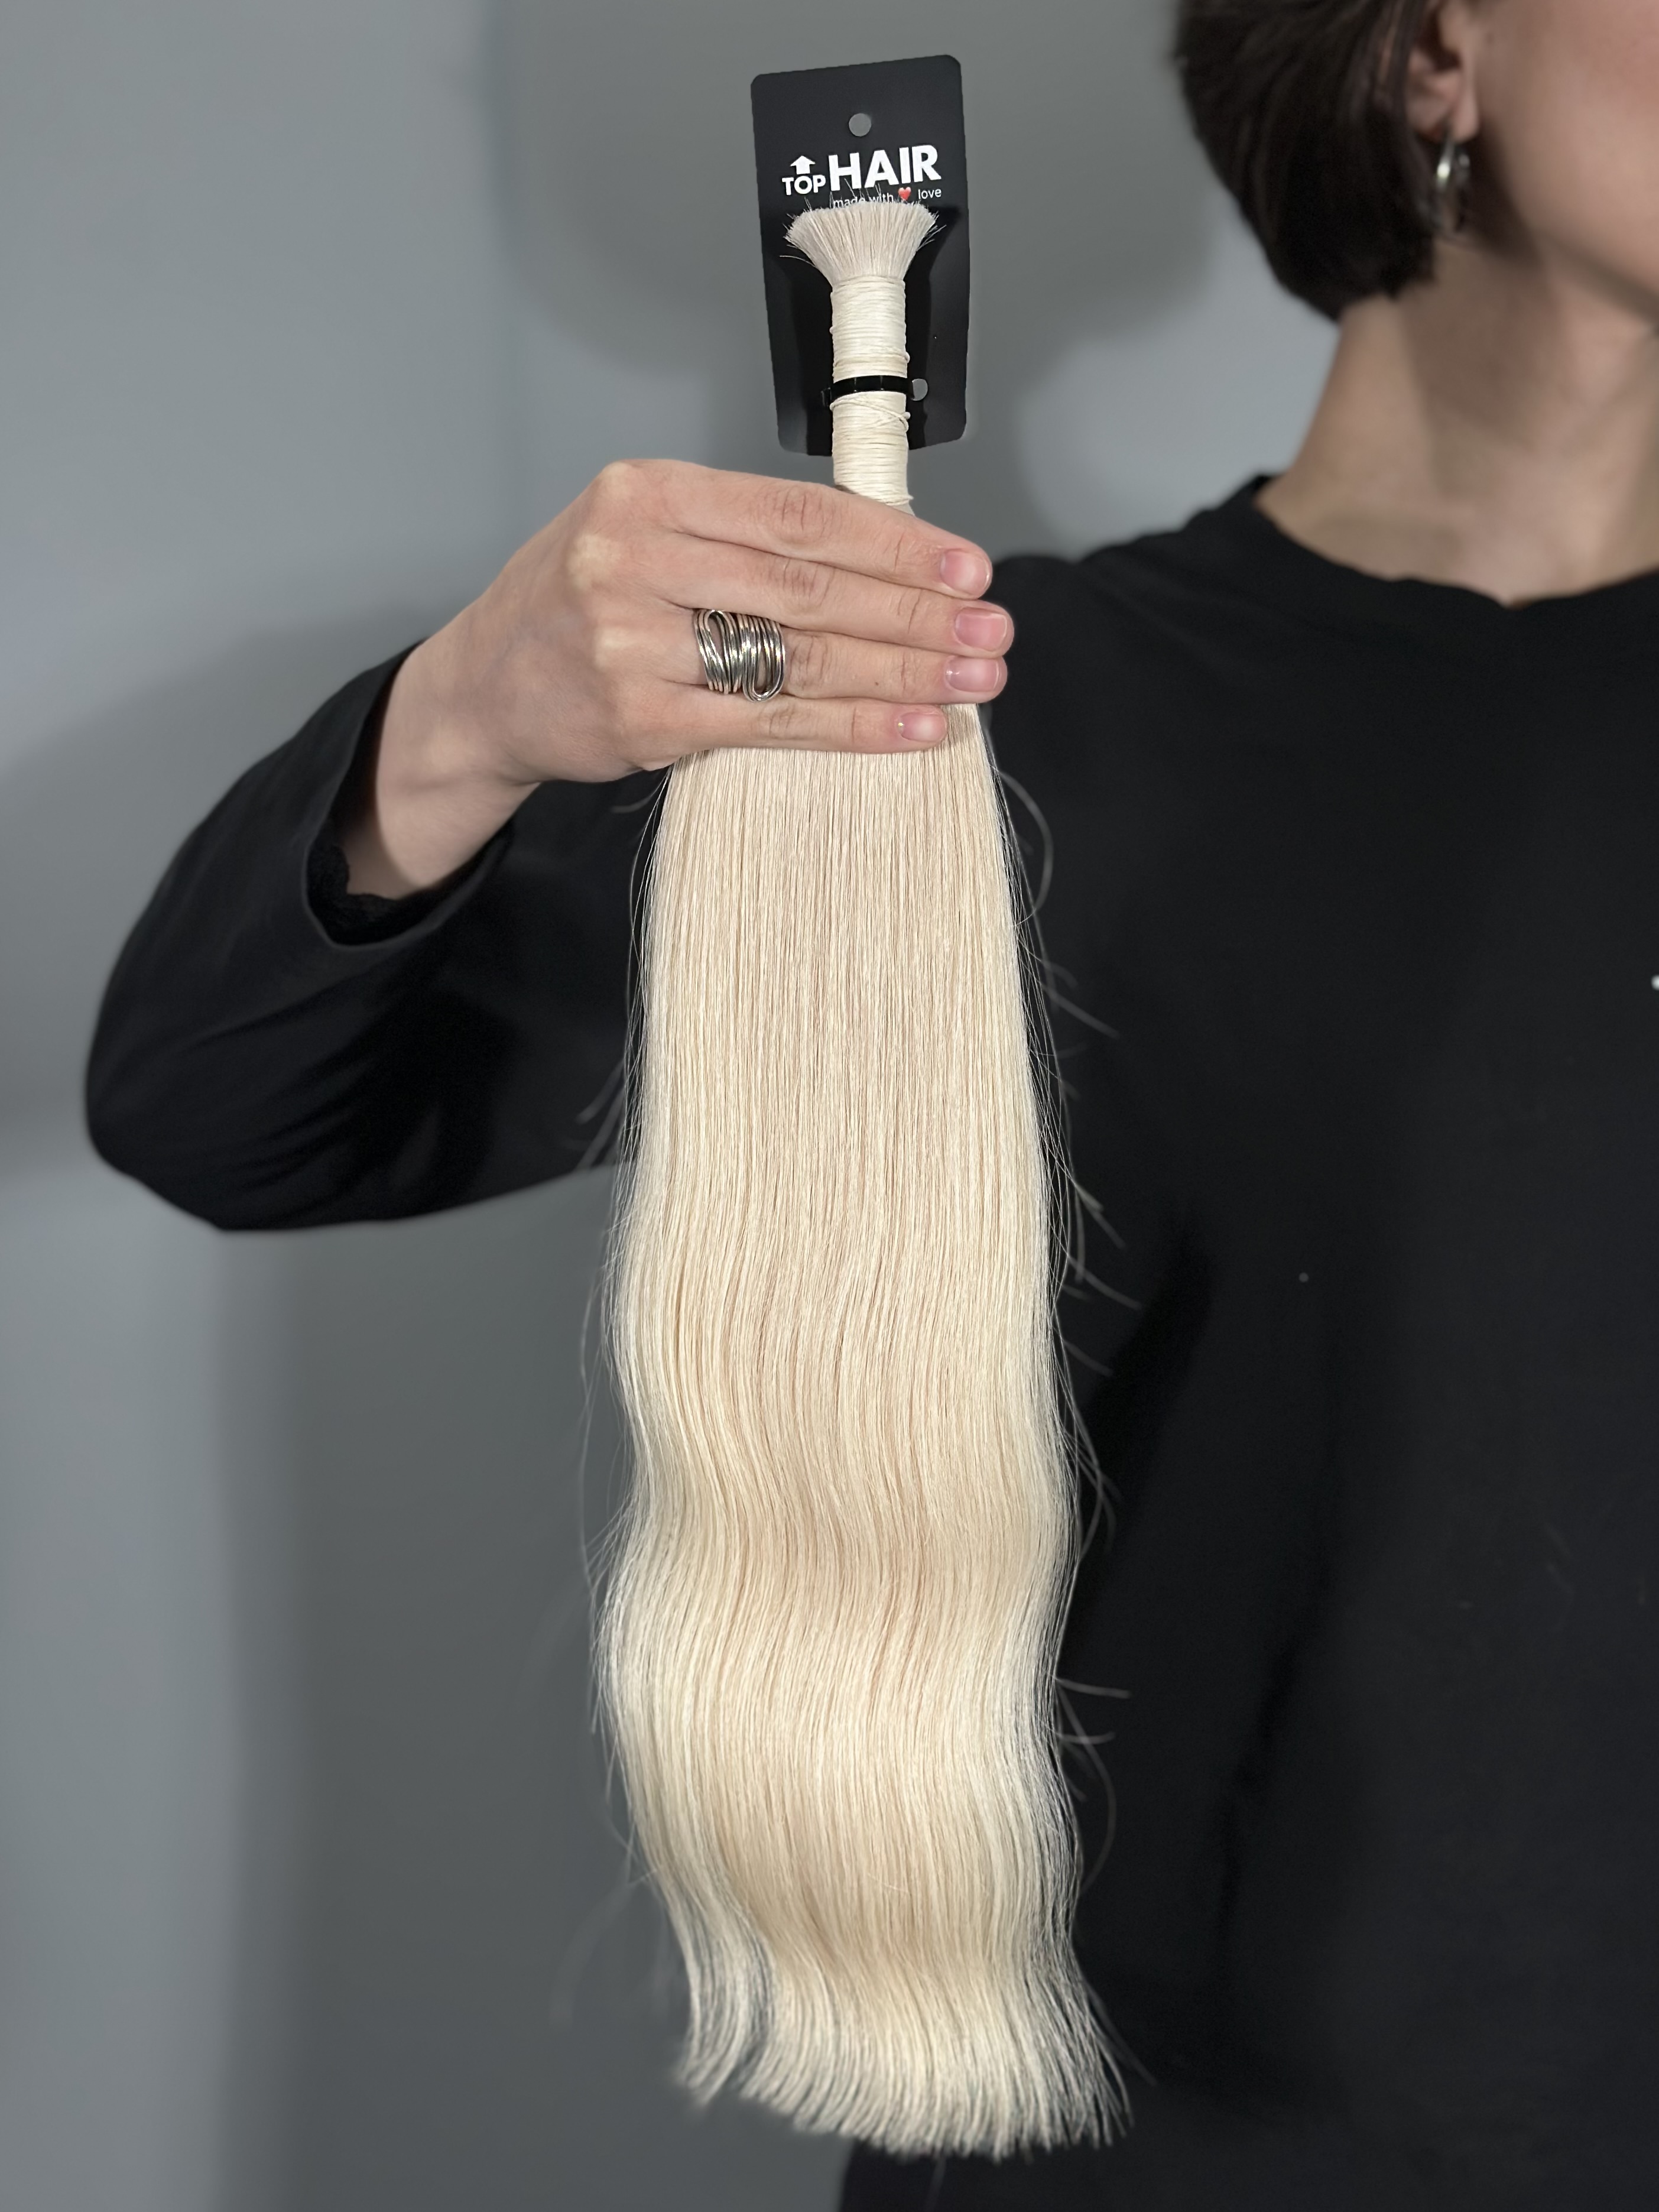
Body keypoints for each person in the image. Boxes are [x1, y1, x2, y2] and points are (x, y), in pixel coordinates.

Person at [86, 0, 1659, 2203]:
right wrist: (464, 719)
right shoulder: (964, 725)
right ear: (1429, 58)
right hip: (1147, 2146)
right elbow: (221, 1106)